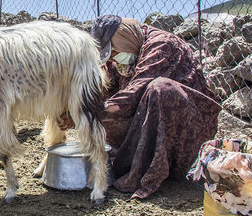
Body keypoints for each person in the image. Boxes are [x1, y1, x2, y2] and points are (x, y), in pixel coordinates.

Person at [90, 15, 221, 199]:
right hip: (153, 125)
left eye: (114, 51)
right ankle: (131, 161)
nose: (113, 58)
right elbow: (103, 94)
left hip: (189, 128)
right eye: (108, 55)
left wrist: (89, 112)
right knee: (105, 95)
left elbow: (133, 96)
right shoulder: (122, 60)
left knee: (160, 89)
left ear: (125, 37)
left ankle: (155, 168)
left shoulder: (162, 45)